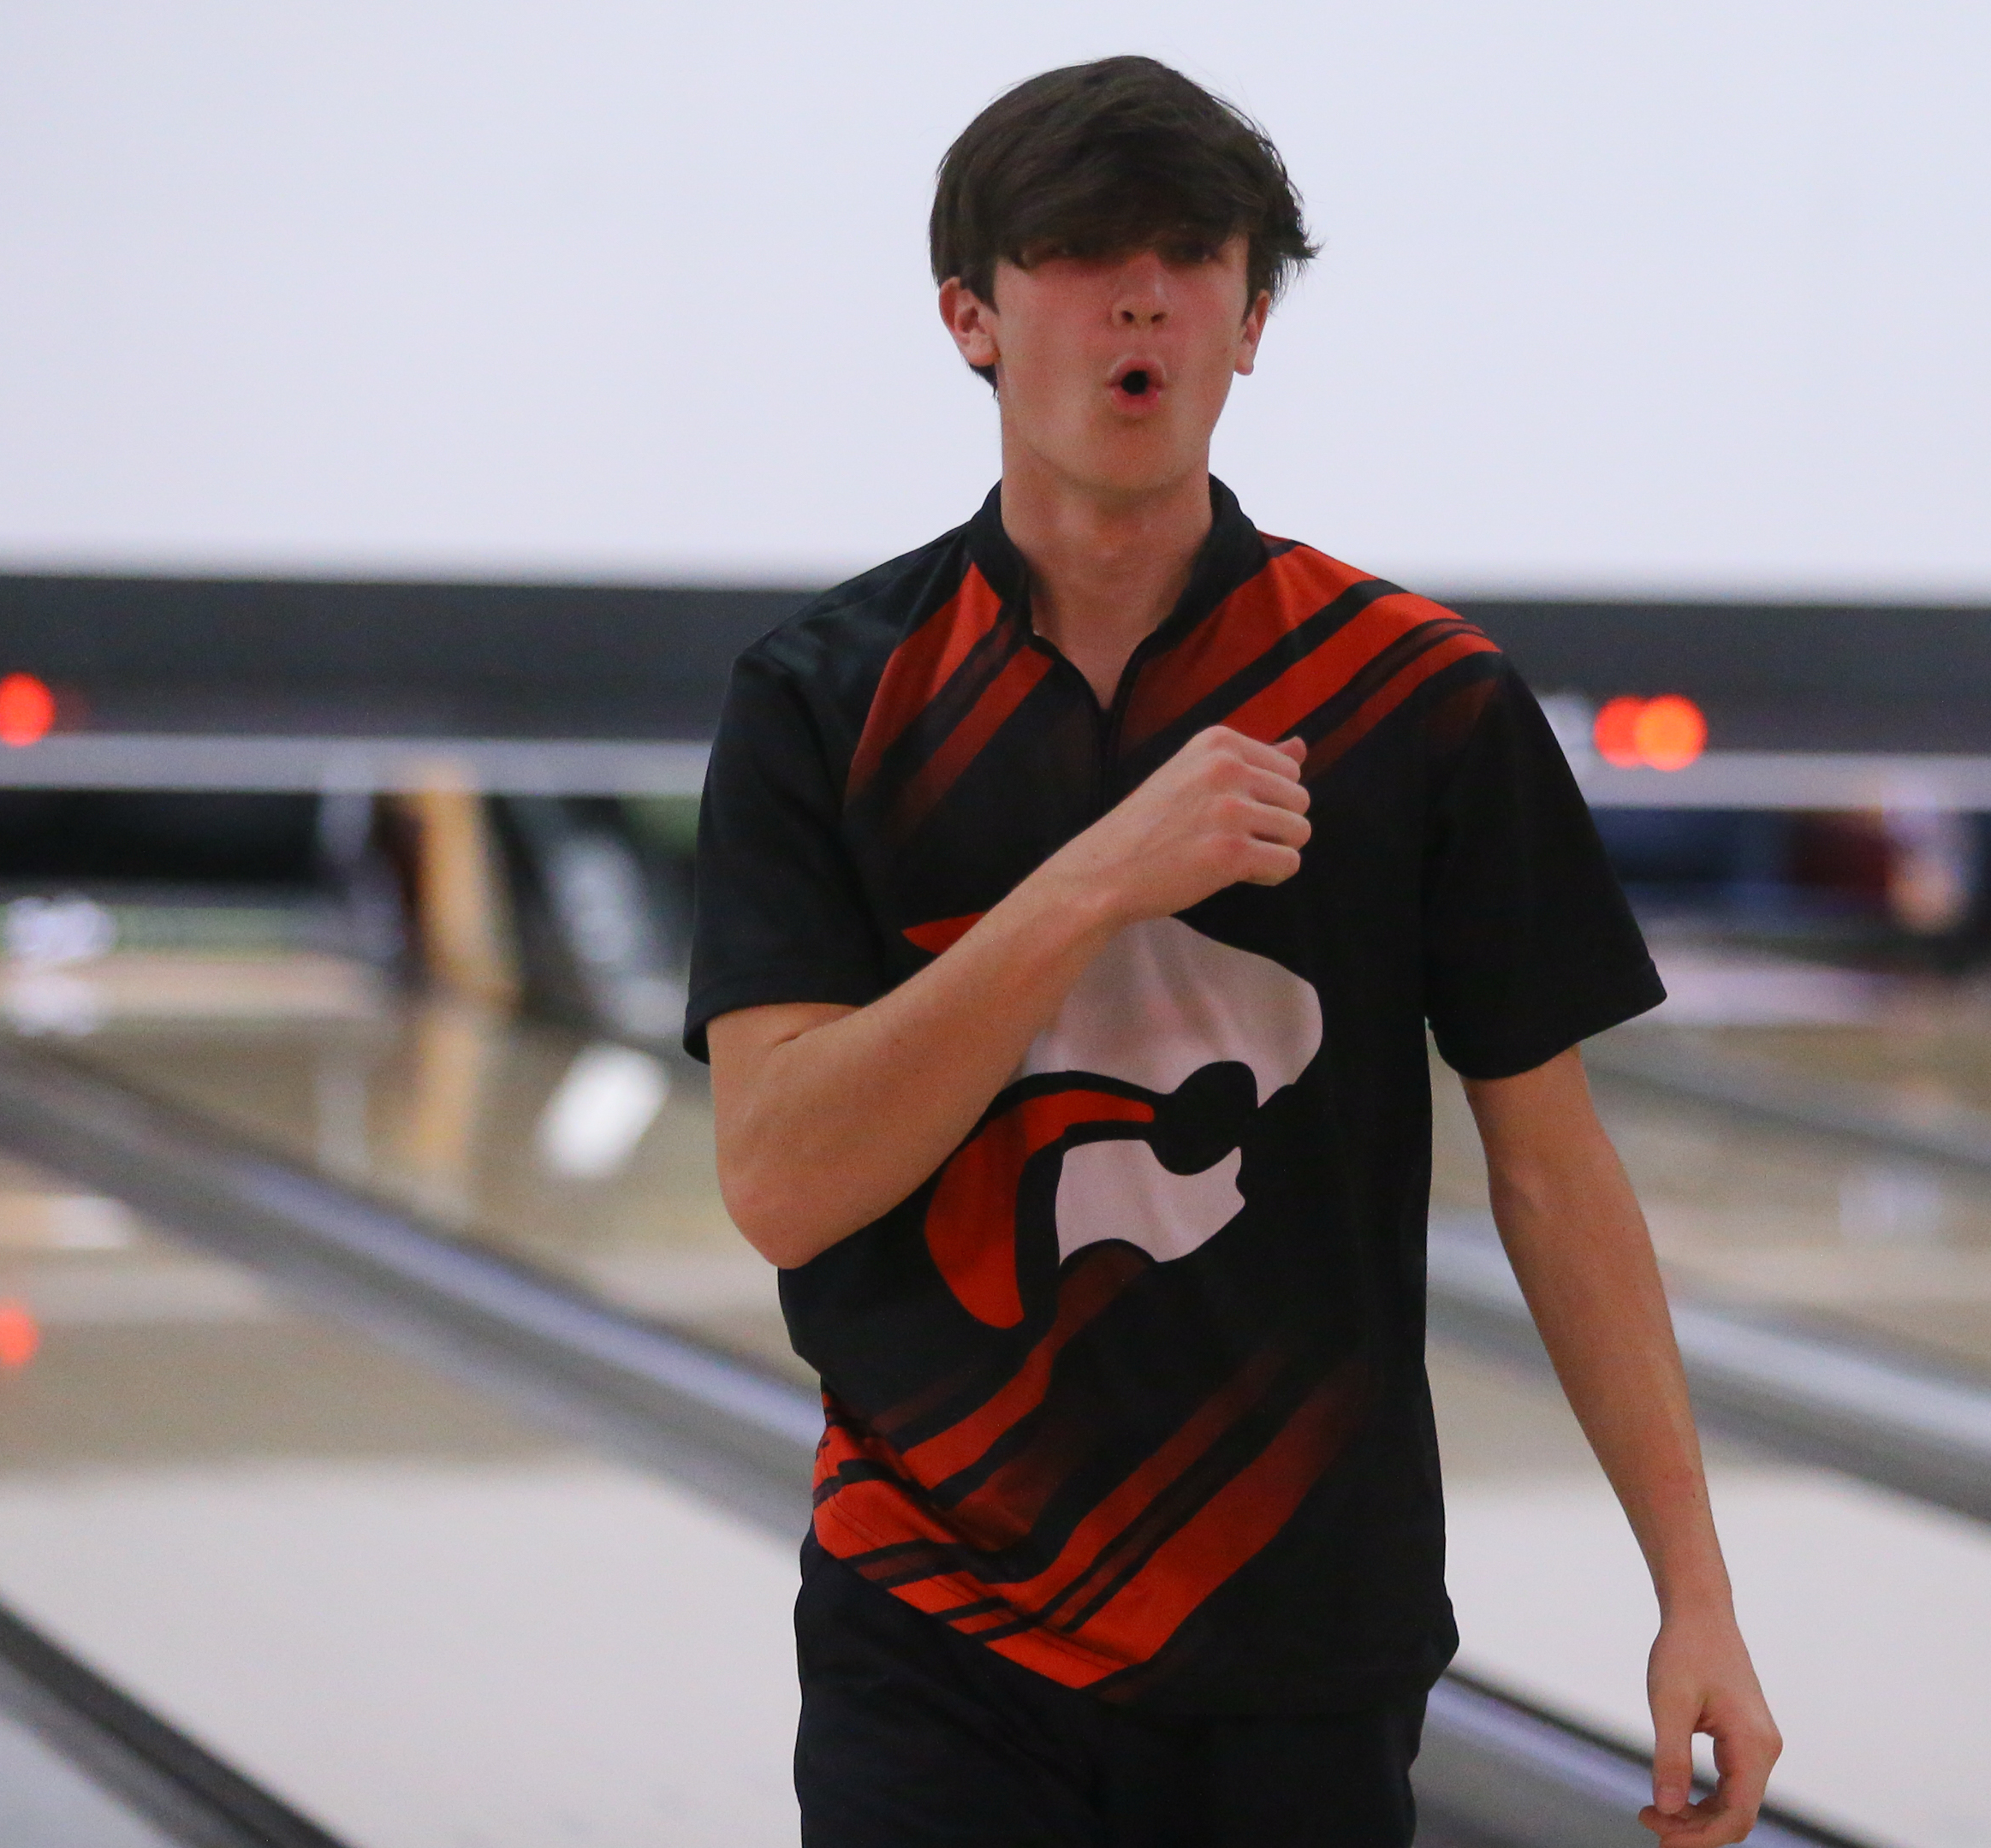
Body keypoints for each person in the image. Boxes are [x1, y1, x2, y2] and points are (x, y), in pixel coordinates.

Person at [688, 54, 1778, 1848]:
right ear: (970, 313)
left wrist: (1698, 1595)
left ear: (1251, 319)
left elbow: (1557, 1174)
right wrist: (1092, 882)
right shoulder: (823, 701)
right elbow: (783, 1181)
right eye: (1075, 249)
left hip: (1300, 1634)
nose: (1139, 295)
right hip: (933, 1626)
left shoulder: (1417, 701)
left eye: (1192, 254)